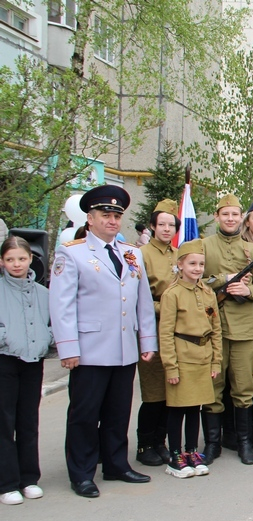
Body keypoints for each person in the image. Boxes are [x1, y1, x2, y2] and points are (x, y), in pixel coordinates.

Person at [49, 185, 158, 498]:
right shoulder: (72, 253)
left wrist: (146, 340)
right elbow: (62, 304)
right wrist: (68, 348)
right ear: (90, 217)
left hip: (123, 348)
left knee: (117, 411)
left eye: (116, 215)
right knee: (84, 415)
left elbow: (143, 301)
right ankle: (82, 473)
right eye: (105, 214)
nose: (112, 220)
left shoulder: (132, 254)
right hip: (89, 350)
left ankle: (115, 464)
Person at [201, 194, 253, 466]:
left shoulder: (251, 250)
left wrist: (247, 290)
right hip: (211, 327)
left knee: (243, 387)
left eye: (235, 214)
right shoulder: (203, 246)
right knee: (213, 388)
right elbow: (192, 278)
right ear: (217, 216)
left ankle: (244, 443)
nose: (230, 219)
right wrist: (223, 280)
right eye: (225, 214)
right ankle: (212, 445)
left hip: (243, 328)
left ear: (241, 218)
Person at [158, 239, 222, 478]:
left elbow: (216, 329)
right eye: (192, 263)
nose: (197, 268)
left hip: (203, 358)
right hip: (182, 358)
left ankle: (192, 452)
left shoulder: (207, 293)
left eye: (201, 264)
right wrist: (171, 367)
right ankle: (175, 456)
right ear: (180, 265)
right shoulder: (172, 294)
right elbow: (165, 333)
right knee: (178, 409)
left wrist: (216, 361)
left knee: (196, 408)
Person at [0, 236, 53, 505]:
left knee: (28, 421)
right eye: (10, 259)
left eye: (21, 258)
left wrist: (47, 339)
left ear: (31, 259)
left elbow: (53, 322)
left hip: (34, 361)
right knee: (4, 422)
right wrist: (6, 337)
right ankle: (7, 482)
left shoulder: (43, 293)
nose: (16, 264)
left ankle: (29, 477)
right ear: (2, 262)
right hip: (6, 361)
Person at [135, 199, 179, 468]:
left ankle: (160, 442)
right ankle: (144, 444)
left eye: (170, 224)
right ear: (152, 226)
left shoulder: (177, 254)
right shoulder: (140, 255)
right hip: (152, 328)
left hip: (176, 332)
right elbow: (136, 297)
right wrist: (166, 306)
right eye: (161, 224)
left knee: (170, 390)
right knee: (153, 393)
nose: (166, 228)